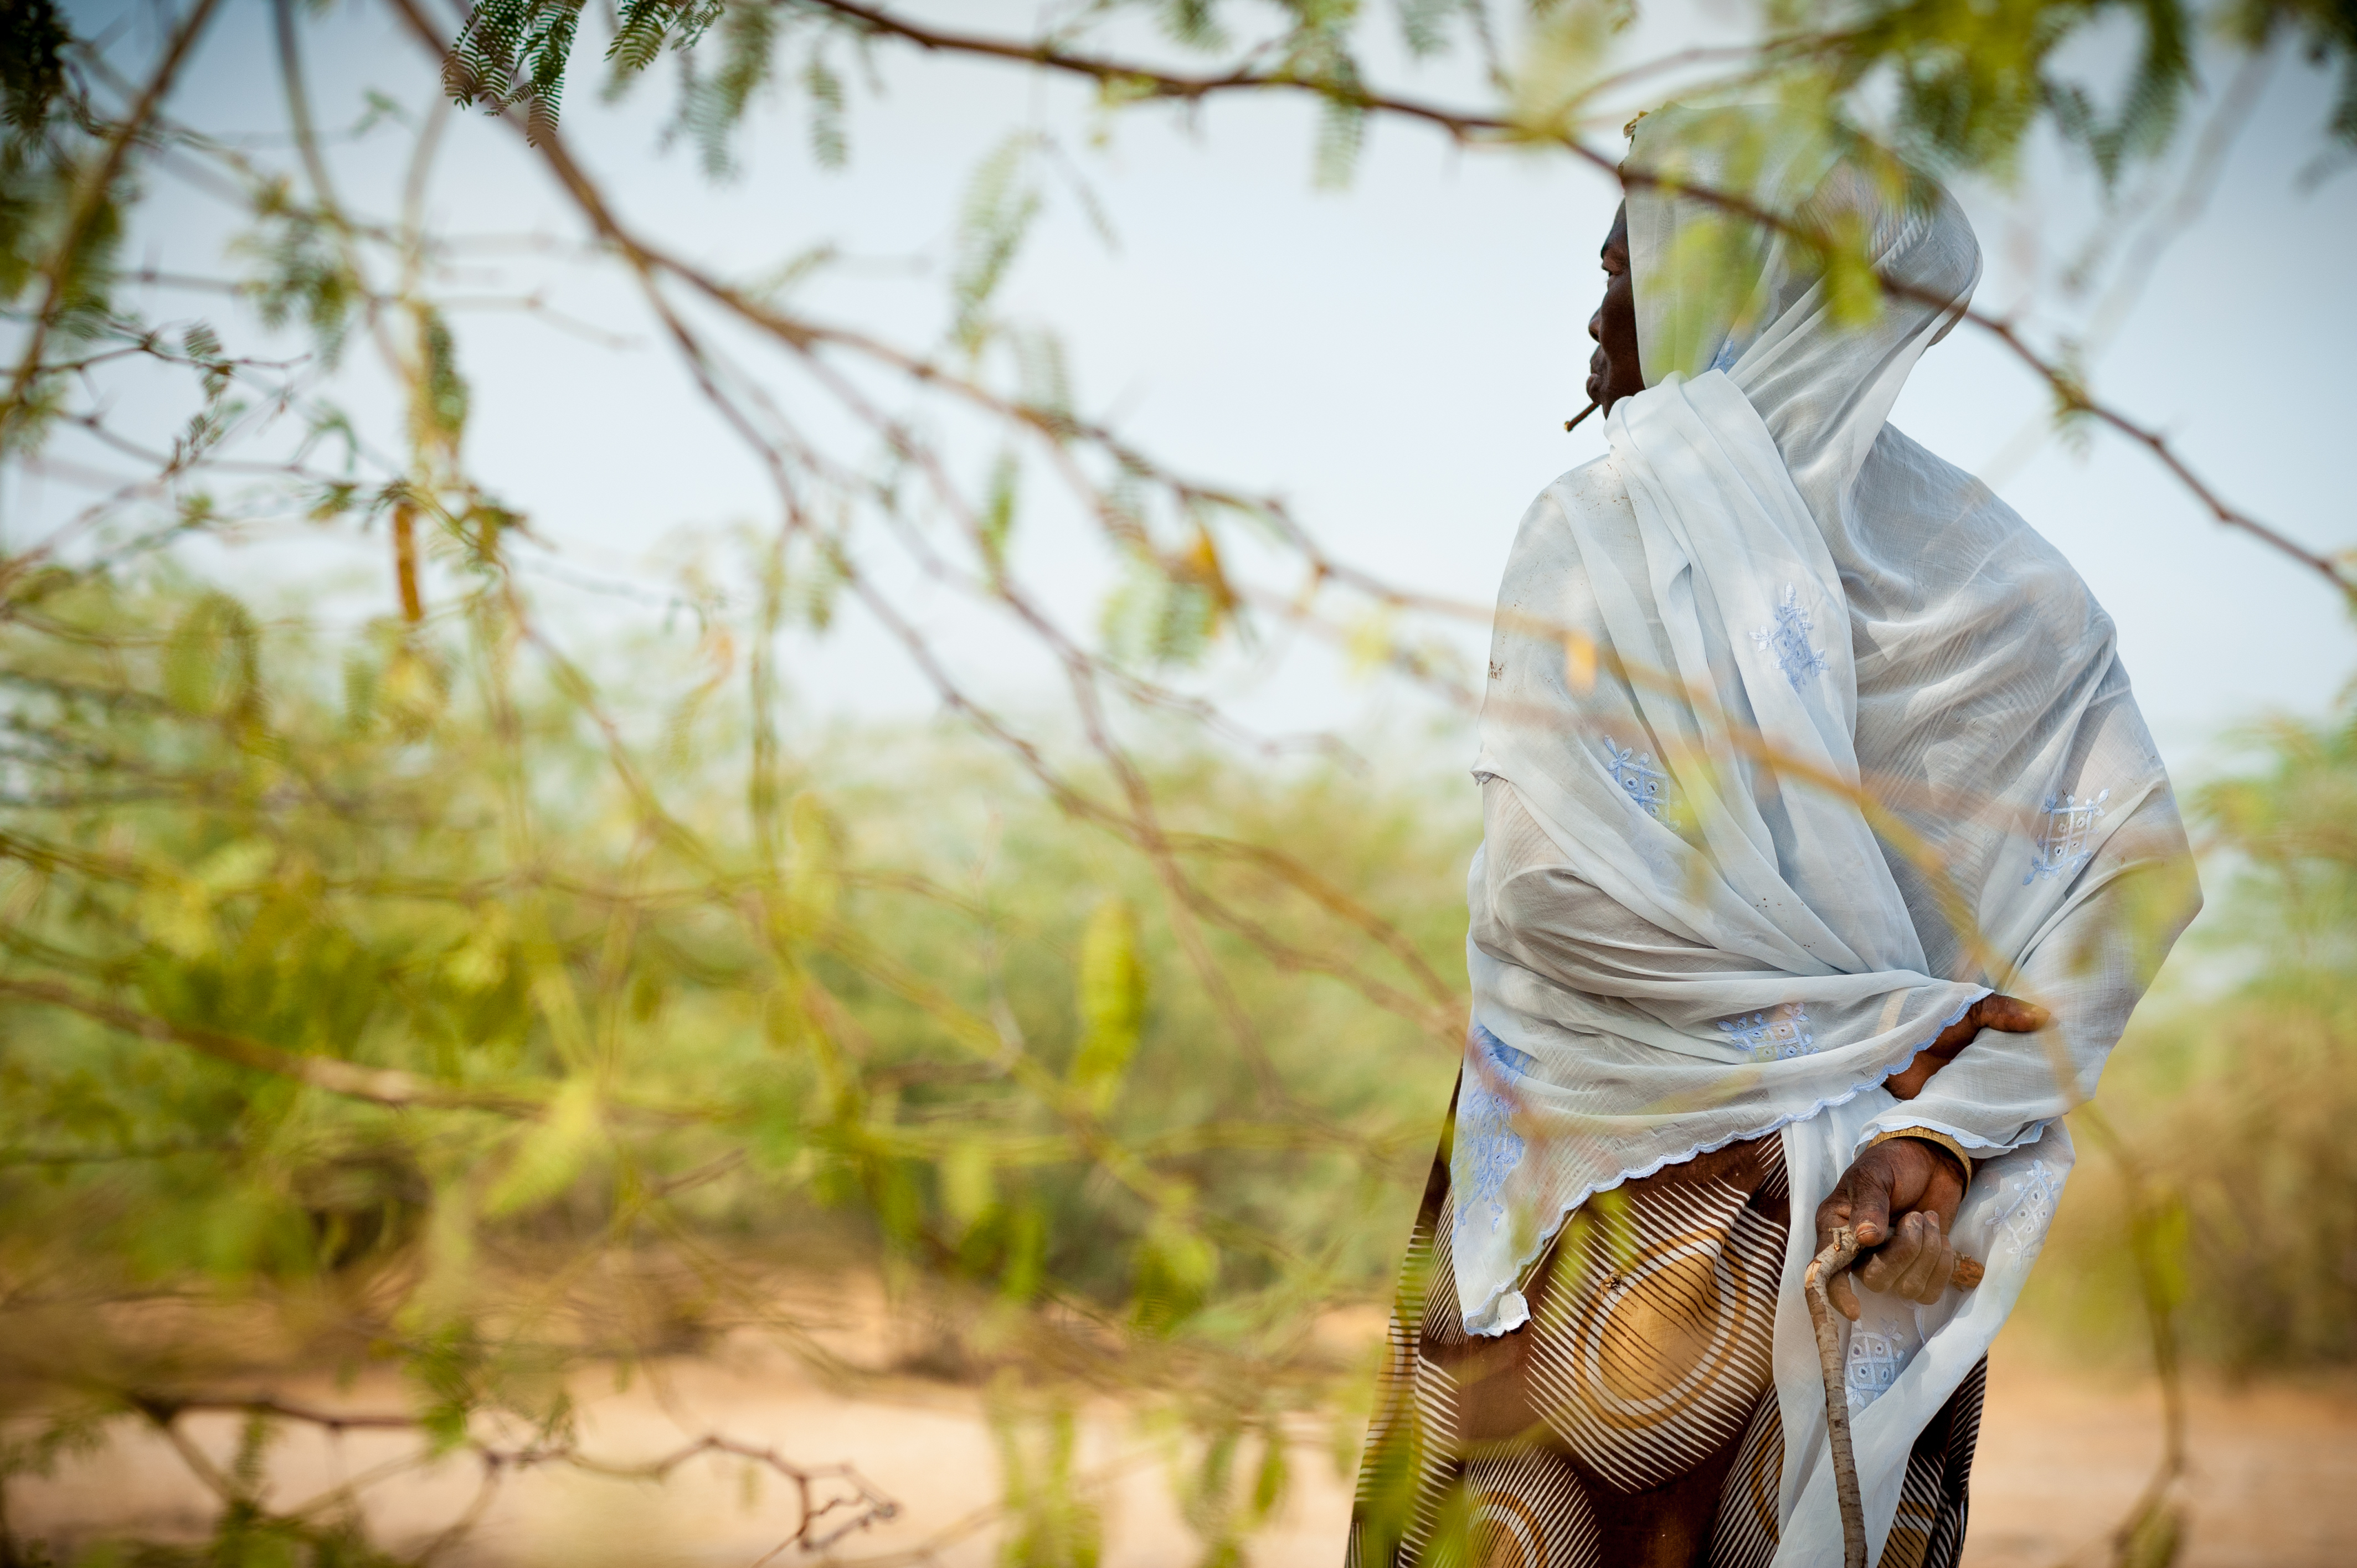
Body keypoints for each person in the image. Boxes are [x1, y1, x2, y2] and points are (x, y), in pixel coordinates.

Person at [1346, 106, 2201, 1568]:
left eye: (1633, 251)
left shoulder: (1612, 519)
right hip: (1878, 1219)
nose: (1606, 291)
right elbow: (2142, 874)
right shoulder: (2004, 587)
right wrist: (1937, 1110)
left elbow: (1553, 901)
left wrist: (1847, 1049)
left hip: (1601, 1204)